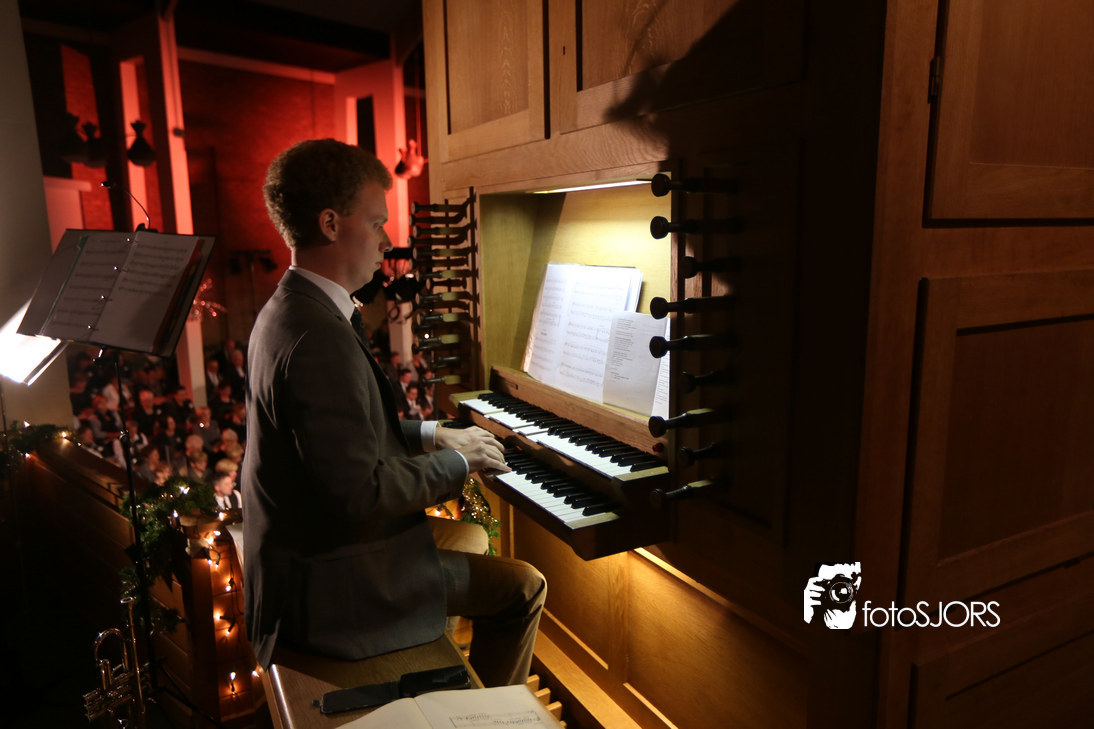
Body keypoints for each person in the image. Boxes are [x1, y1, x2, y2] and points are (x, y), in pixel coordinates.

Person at [243, 139, 545, 688]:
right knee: (522, 587)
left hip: (303, 556)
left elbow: (340, 435)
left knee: (472, 538)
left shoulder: (291, 307)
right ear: (330, 224)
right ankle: (484, 715)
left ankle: (442, 677)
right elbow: (360, 494)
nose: (386, 242)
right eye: (377, 222)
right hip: (328, 587)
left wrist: (433, 434)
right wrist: (461, 463)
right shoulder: (316, 336)